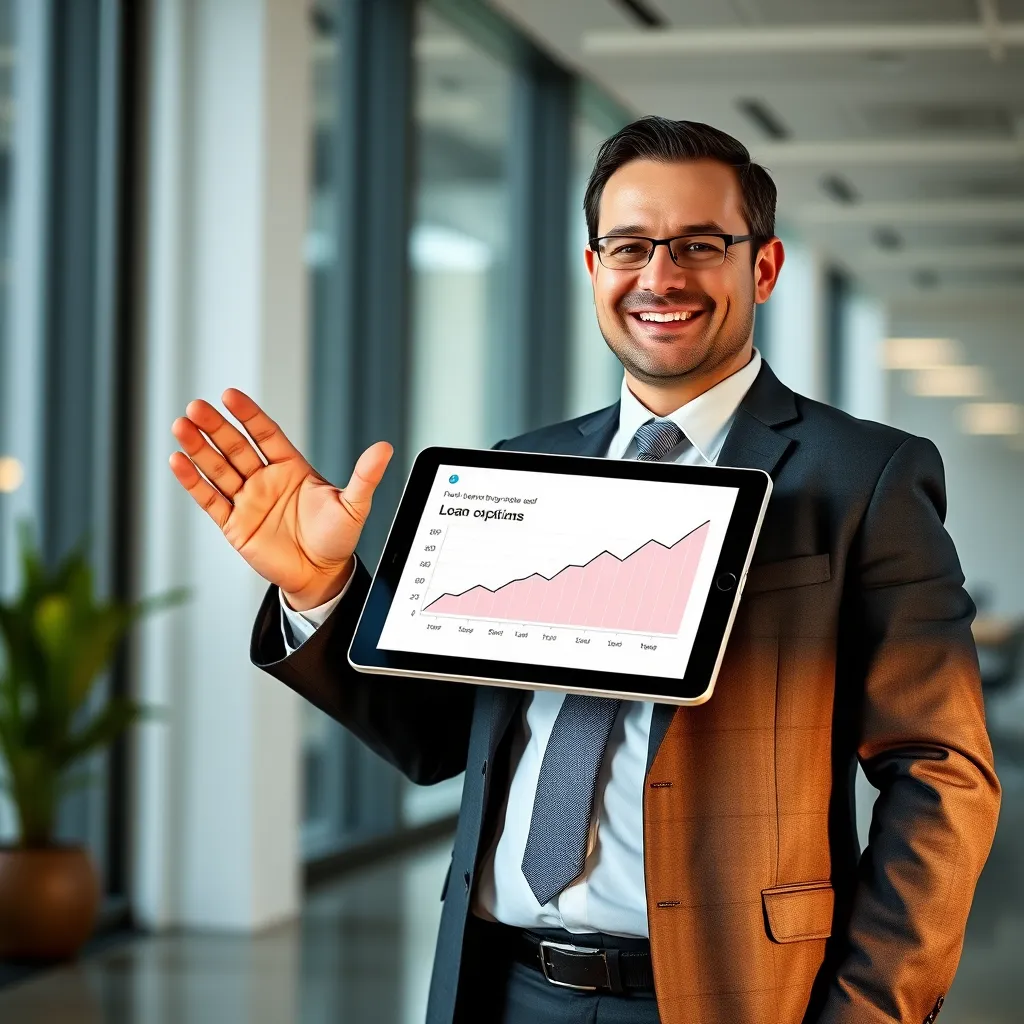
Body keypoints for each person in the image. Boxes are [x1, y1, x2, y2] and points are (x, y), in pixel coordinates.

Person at [169, 117, 1000, 1024]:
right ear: (594, 267)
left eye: (700, 245)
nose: (660, 277)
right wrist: (321, 588)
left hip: (731, 995)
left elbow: (941, 771)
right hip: (499, 987)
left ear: (763, 267)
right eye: (630, 246)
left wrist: (871, 1012)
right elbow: (441, 738)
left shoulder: (866, 476)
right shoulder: (522, 468)